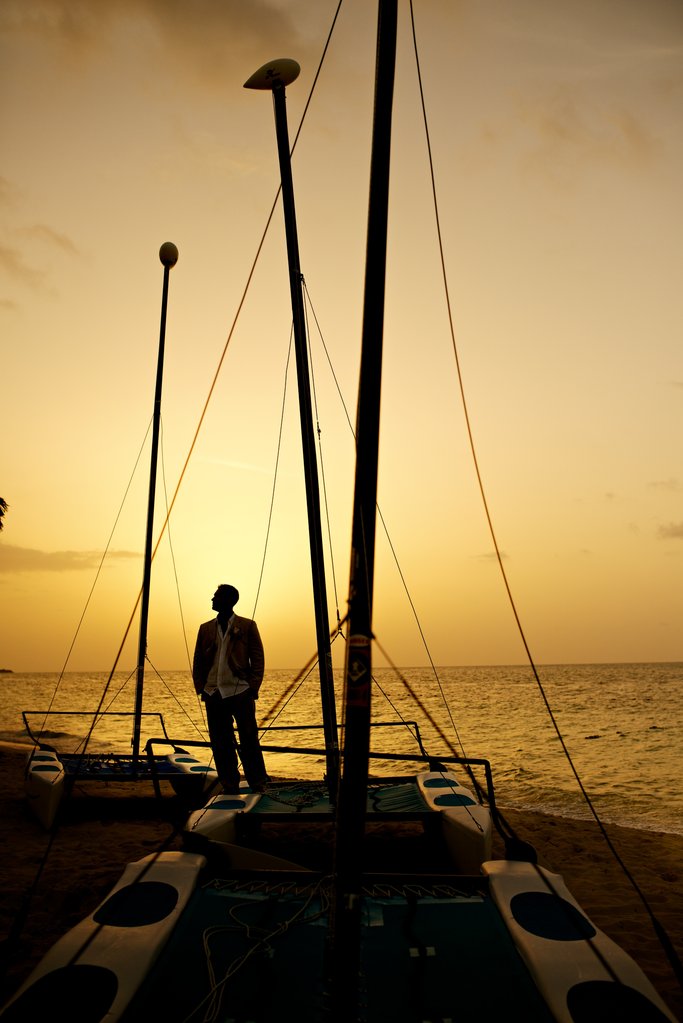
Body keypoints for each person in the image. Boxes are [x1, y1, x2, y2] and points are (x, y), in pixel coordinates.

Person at [192, 583, 269, 794]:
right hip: (213, 692)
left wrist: (253, 686)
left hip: (240, 691)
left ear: (228, 600)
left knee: (249, 739)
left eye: (216, 596)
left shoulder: (247, 626)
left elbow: (258, 657)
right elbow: (198, 659)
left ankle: (257, 782)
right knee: (220, 742)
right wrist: (200, 686)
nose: (212, 599)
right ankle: (229, 784)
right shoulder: (205, 628)